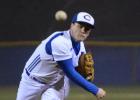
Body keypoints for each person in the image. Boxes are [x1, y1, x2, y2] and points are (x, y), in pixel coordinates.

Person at [16, 11, 106, 100]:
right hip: (32, 81)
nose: (83, 30)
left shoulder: (81, 45)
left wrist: (85, 75)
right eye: (80, 26)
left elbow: (75, 69)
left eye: (87, 29)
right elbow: (70, 73)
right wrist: (95, 90)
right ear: (72, 25)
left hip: (57, 83)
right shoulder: (60, 42)